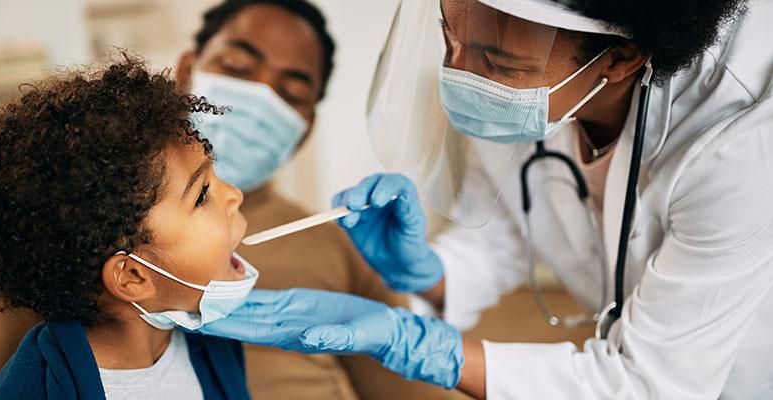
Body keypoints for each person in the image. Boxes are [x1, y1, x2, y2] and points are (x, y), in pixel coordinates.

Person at [191, 0, 773, 399]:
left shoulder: (739, 141)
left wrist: (421, 347)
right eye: (451, 38)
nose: (461, 76)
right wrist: (429, 275)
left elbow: (650, 384)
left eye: (496, 62)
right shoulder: (520, 73)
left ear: (620, 59)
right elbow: (511, 233)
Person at [0, 1, 456, 399]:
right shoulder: (58, 233)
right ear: (188, 70)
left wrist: (423, 306)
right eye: (237, 65)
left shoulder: (344, 242)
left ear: (306, 127)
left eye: (292, 91)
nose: (260, 97)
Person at [0, 56, 252, 399]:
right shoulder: (32, 392)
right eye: (201, 195)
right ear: (132, 276)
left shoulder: (214, 343)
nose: (234, 195)